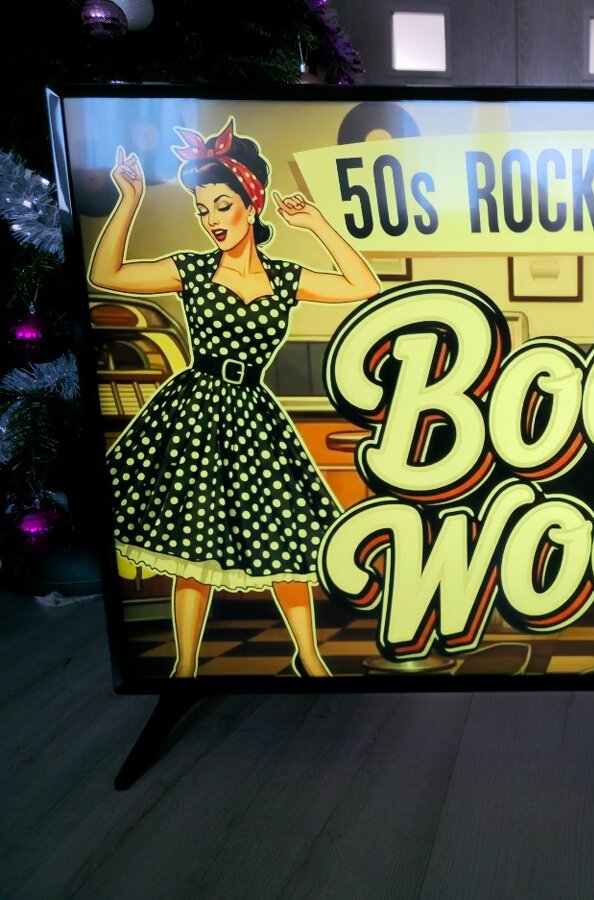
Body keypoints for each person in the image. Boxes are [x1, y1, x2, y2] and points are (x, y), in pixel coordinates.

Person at [89, 119, 380, 677]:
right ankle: (186, 668)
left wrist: (317, 223)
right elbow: (106, 274)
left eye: (223, 205)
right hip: (196, 413)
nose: (213, 220)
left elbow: (363, 286)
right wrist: (130, 200)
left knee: (285, 541)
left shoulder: (286, 278)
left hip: (254, 417)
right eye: (204, 211)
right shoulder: (193, 269)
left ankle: (309, 658)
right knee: (191, 547)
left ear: (252, 203)